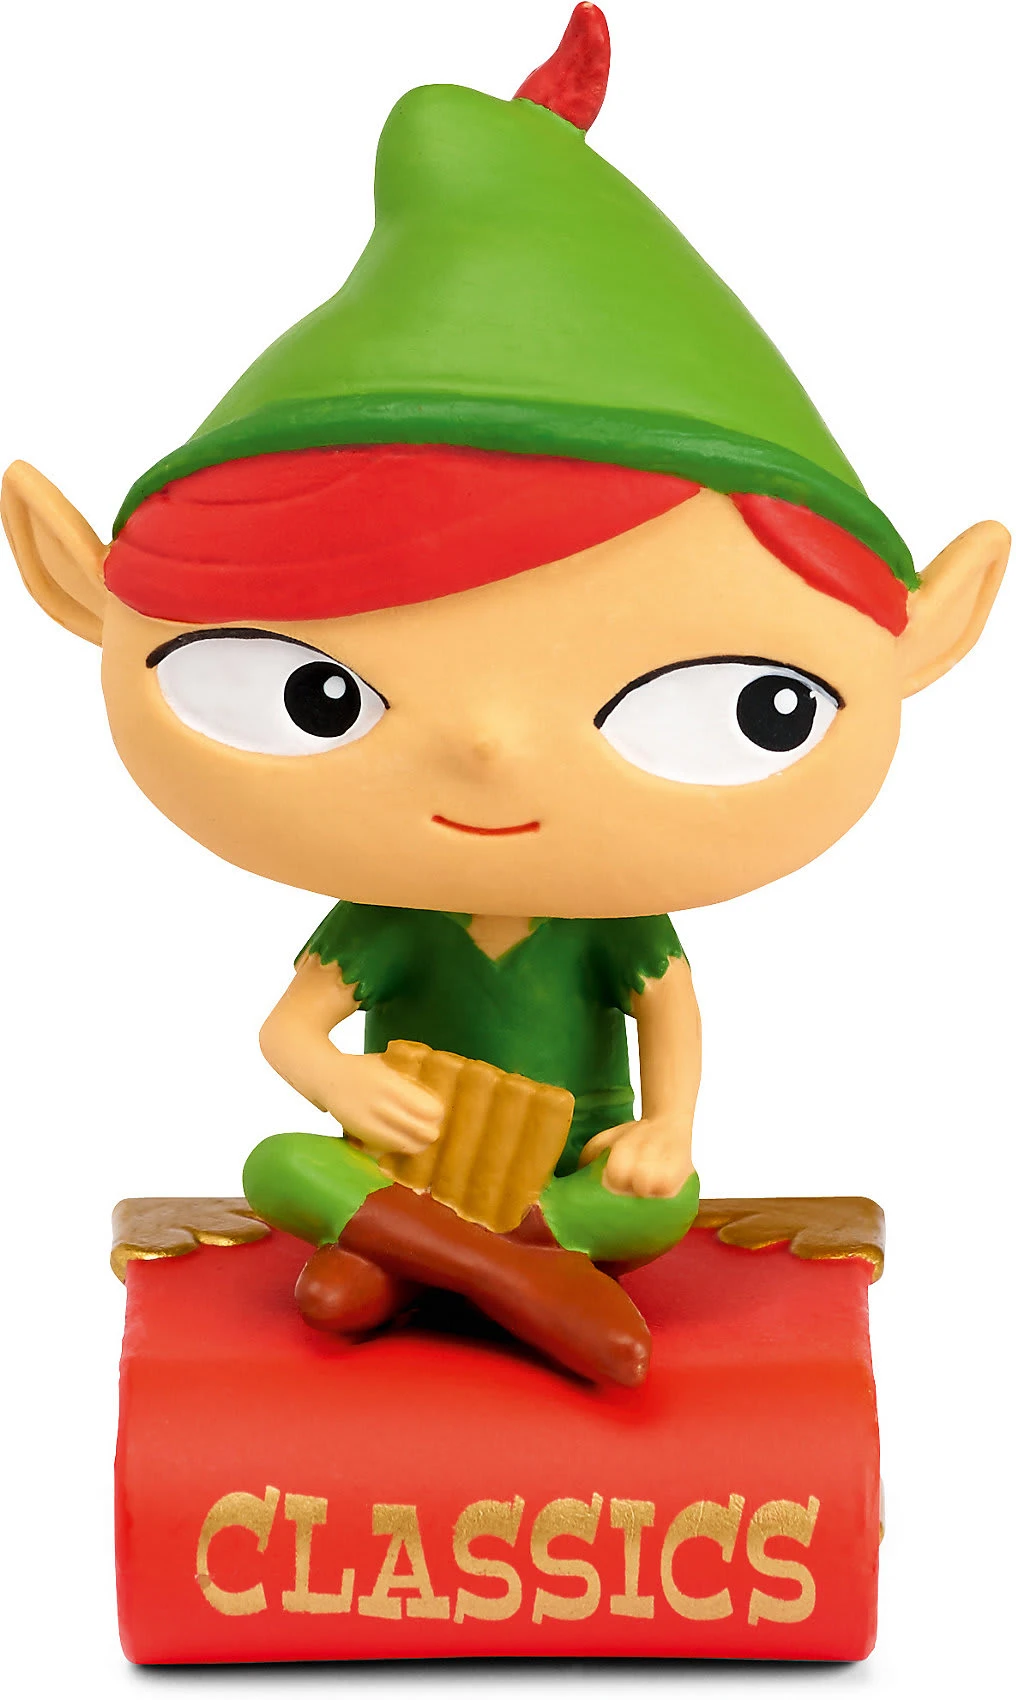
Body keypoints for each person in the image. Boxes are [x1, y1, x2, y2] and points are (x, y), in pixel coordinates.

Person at [2, 7, 1006, 1385]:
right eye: (313, 694)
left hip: (573, 1164)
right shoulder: (387, 922)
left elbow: (670, 1023)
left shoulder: (614, 926)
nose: (486, 745)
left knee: (656, 1206)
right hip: (401, 1159)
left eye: (738, 700)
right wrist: (344, 1082)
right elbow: (292, 1028)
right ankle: (504, 1271)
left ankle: (431, 1253)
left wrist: (663, 1131)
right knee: (282, 1160)